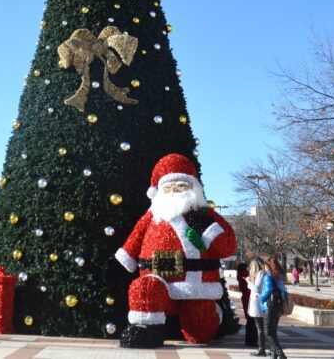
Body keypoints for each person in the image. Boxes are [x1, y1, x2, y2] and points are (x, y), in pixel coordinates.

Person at [113, 153, 237, 348]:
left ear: (193, 187)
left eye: (181, 186)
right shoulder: (152, 216)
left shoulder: (206, 215)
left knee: (201, 333)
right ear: (159, 191)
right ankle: (147, 332)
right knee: (144, 289)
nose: (175, 191)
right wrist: (123, 261)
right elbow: (134, 240)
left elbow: (228, 245)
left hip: (197, 289)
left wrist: (207, 227)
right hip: (158, 281)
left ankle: (214, 314)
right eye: (169, 187)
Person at [259, 257, 287, 359]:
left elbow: (267, 290)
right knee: (273, 330)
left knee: (268, 332)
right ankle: (274, 354)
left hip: (269, 306)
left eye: (265, 265)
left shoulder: (268, 276)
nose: (263, 267)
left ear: (268, 265)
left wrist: (261, 299)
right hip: (279, 305)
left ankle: (281, 354)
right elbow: (283, 291)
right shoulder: (280, 275)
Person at [247, 257, 267, 357]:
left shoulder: (261, 273)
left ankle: (261, 349)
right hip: (257, 303)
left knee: (260, 327)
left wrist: (249, 283)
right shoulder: (260, 274)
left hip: (258, 303)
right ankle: (262, 348)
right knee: (260, 327)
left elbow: (257, 288)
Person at [237, 263, 256, 348]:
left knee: (249, 320)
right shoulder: (245, 274)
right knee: (252, 320)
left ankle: (248, 340)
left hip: (245, 298)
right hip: (249, 298)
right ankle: (252, 340)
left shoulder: (240, 274)